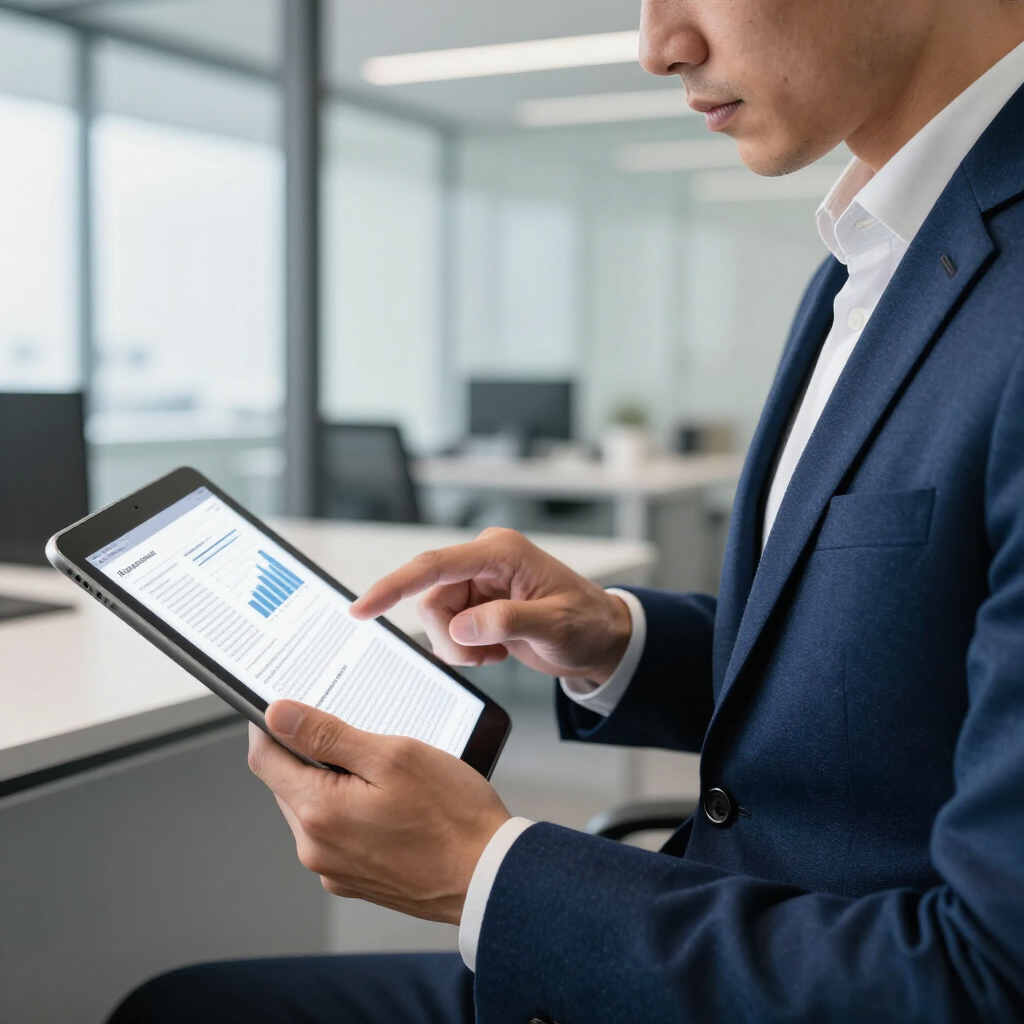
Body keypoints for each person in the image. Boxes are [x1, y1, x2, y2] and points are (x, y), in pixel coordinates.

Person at [110, 0, 1024, 1020]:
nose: (656, 45)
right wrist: (617, 637)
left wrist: (484, 875)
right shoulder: (876, 251)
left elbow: (987, 983)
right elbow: (899, 669)